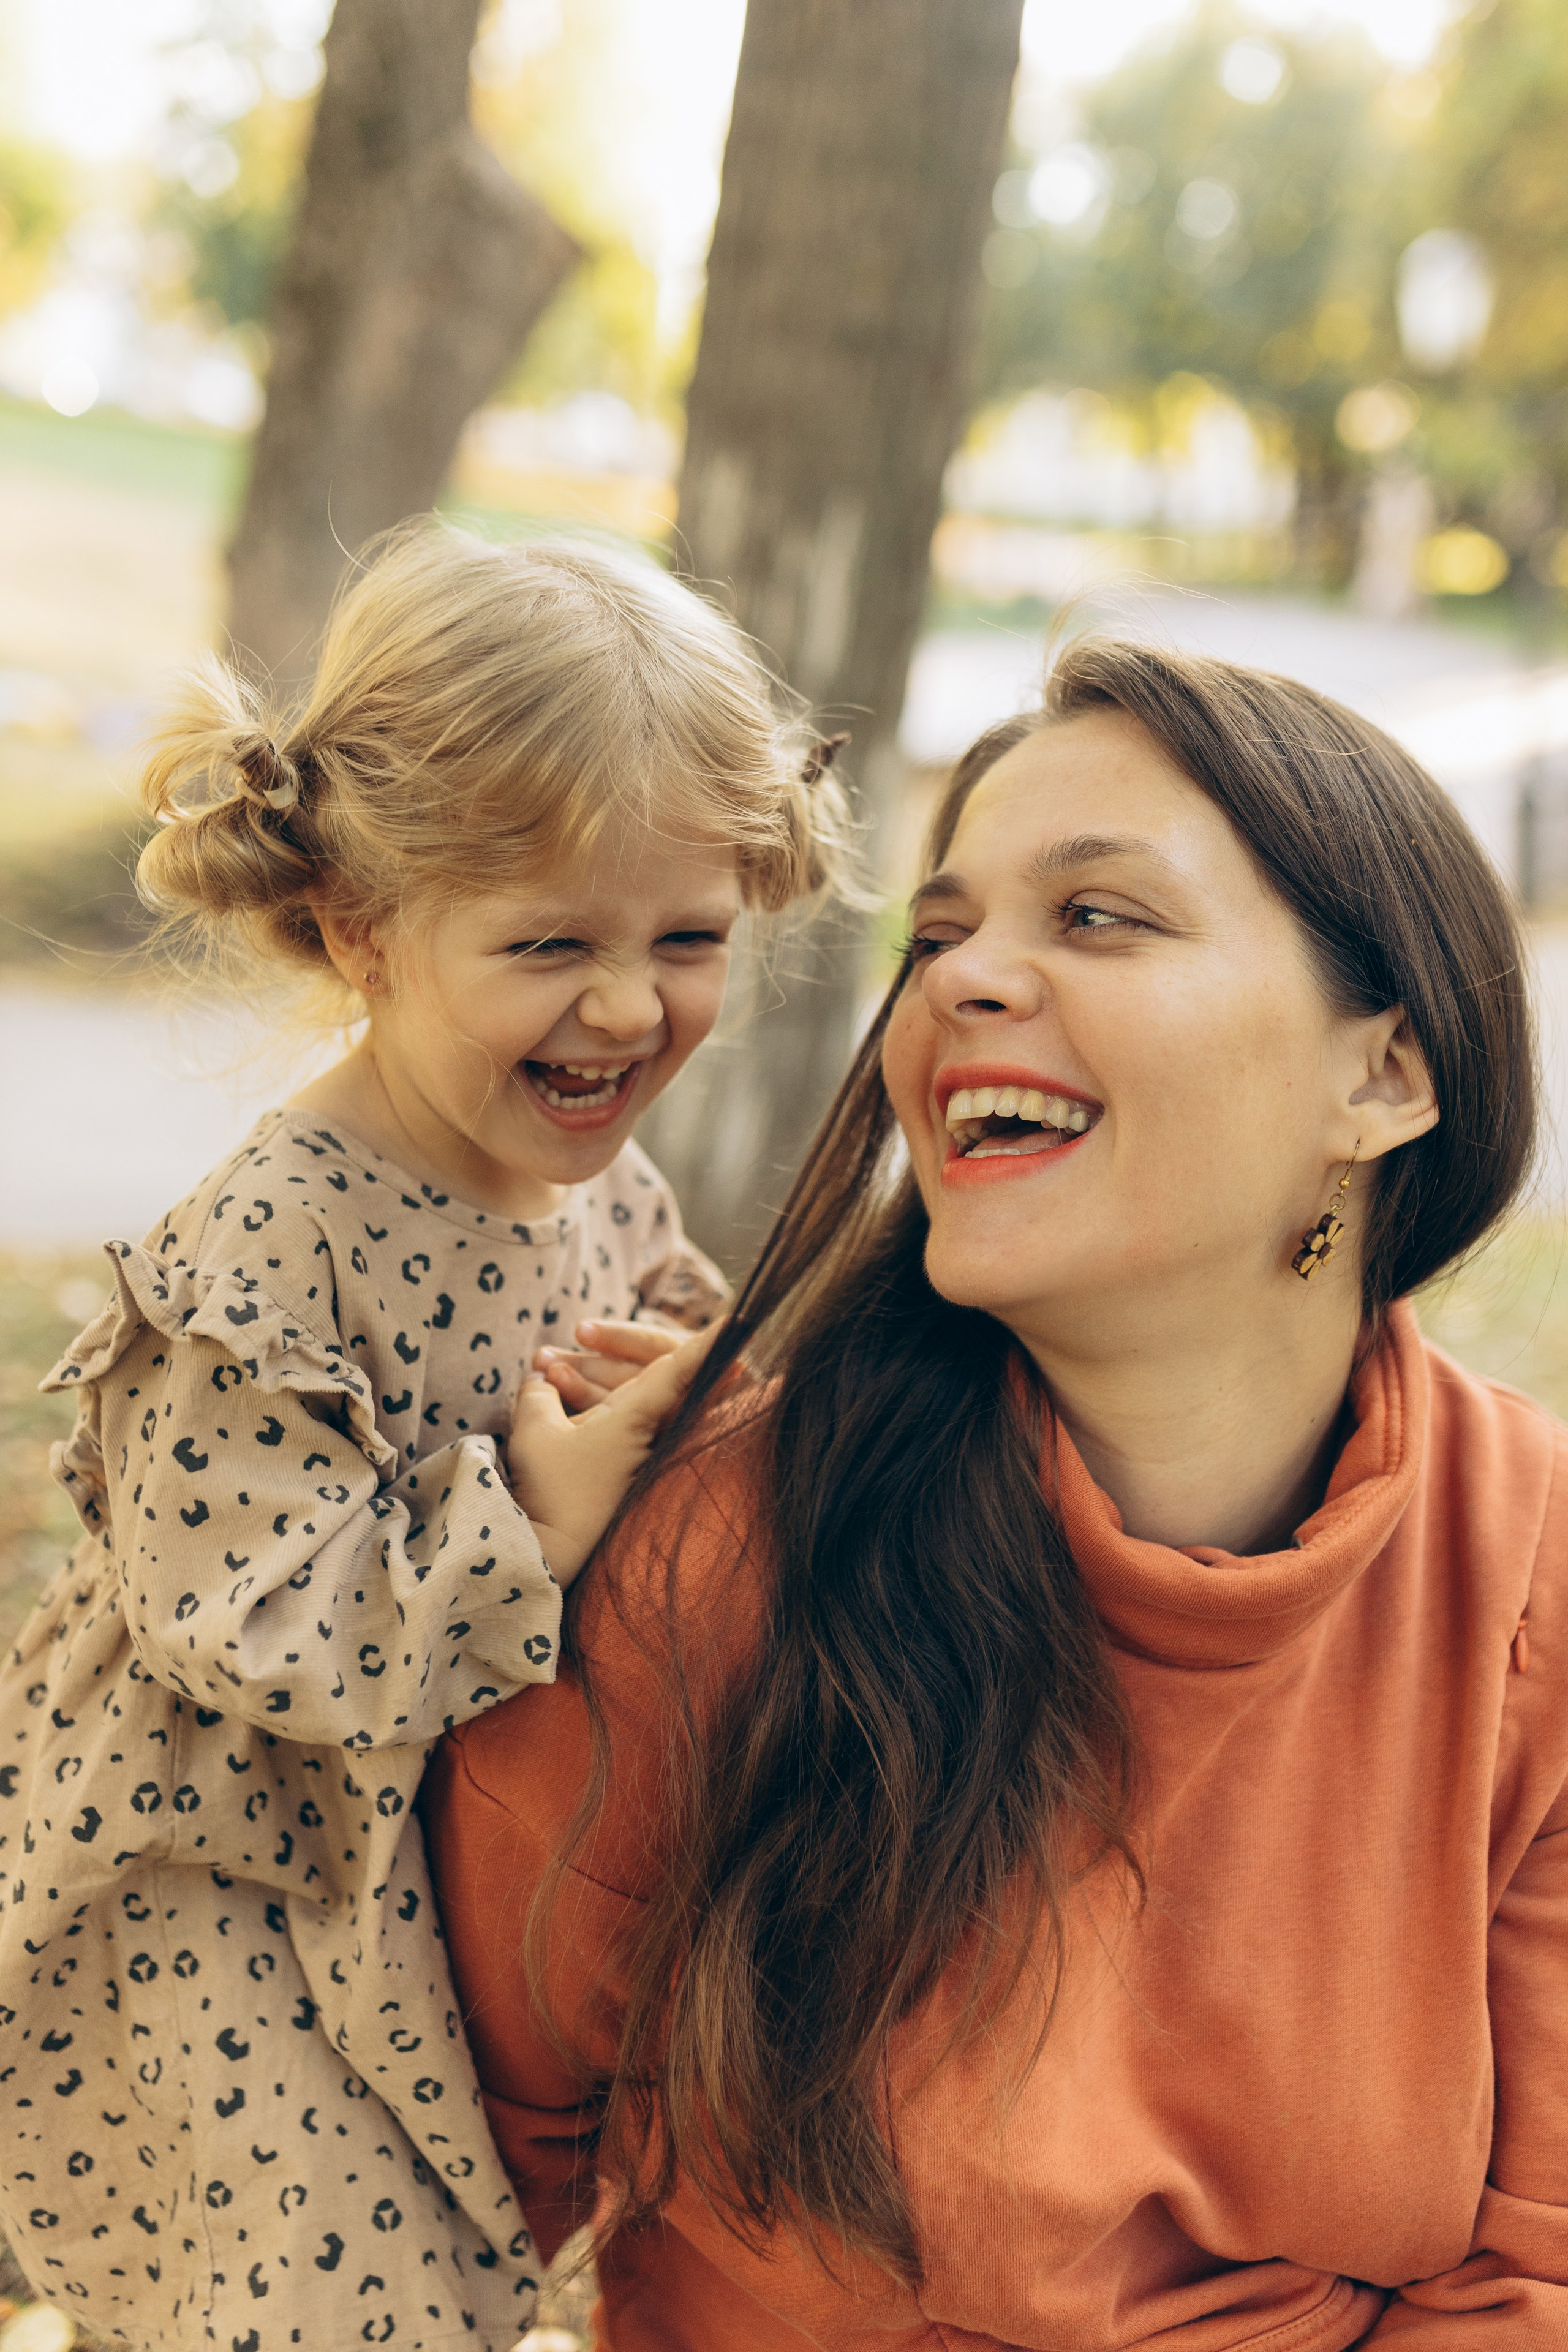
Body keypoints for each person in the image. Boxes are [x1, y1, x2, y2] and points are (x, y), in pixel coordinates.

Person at [425, 636, 1568, 2352]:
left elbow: (1527, 2279)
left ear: (1384, 1076)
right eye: (941, 935)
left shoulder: (1530, 1579)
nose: (958, 984)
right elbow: (453, 2182)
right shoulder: (713, 1542)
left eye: (1097, 917)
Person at [0, 524, 843, 2352]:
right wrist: (527, 1512)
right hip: (231, 1894)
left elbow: (683, 1357)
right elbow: (245, 1615)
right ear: (366, 929)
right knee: (324, 2309)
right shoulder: (274, 1241)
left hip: (425, 1867)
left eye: (685, 940)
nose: (628, 1007)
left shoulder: (597, 1175)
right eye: (552, 944)